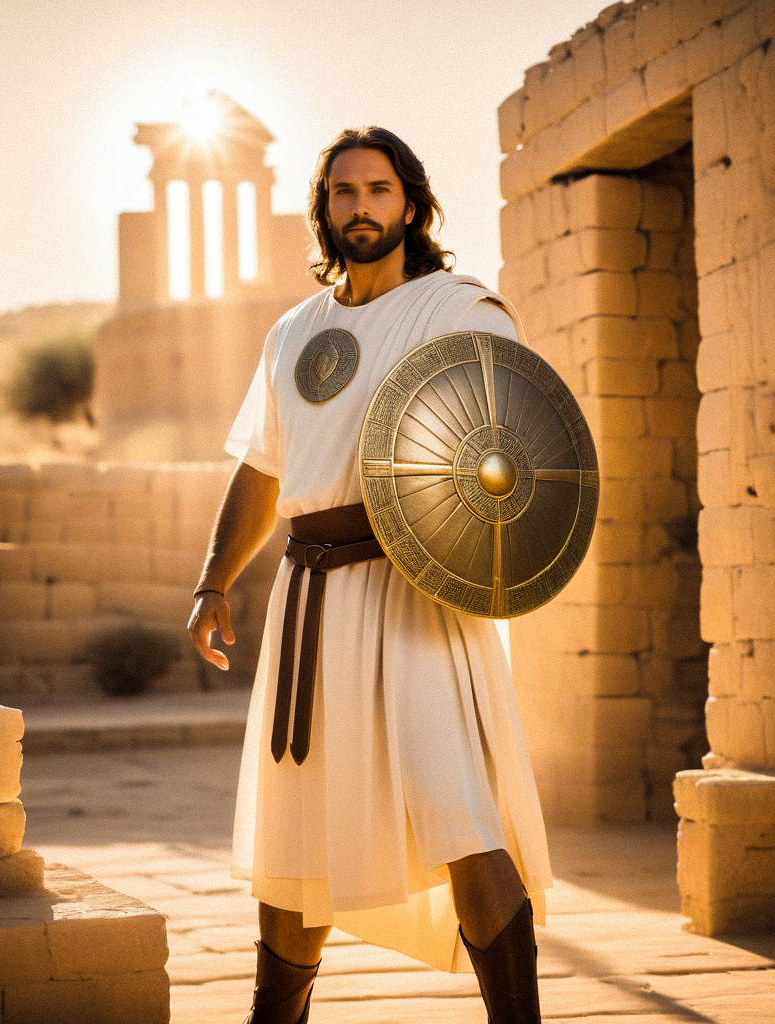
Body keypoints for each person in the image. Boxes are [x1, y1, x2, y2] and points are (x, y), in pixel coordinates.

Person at [188, 126, 552, 1024]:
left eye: (379, 190)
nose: (361, 207)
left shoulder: (456, 308)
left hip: (416, 593)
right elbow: (265, 470)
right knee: (293, 825)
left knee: (460, 811)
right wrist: (212, 580)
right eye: (344, 193)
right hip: (310, 600)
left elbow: (511, 440)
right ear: (324, 210)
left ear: (412, 204)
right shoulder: (293, 331)